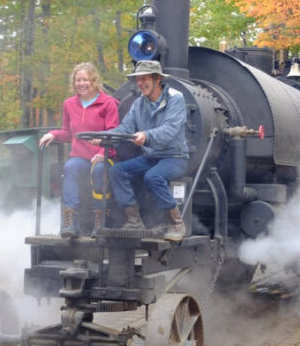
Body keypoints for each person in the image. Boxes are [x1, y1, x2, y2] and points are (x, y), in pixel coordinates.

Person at [107, 60, 188, 242]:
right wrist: (105, 137)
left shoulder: (176, 98)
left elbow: (170, 130)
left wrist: (146, 135)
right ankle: (134, 220)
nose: (141, 83)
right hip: (151, 157)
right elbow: (125, 128)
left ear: (157, 78)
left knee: (153, 176)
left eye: (145, 79)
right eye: (138, 80)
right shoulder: (138, 104)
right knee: (116, 171)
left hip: (174, 157)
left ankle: (177, 224)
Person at [38, 62, 119, 238]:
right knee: (70, 167)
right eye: (78, 80)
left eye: (85, 80)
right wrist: (53, 134)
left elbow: (113, 133)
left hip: (104, 156)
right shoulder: (69, 104)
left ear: (94, 81)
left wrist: (101, 152)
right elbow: (68, 133)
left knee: (99, 170)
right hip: (81, 158)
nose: (81, 84)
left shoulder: (108, 103)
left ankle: (100, 221)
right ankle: (70, 223)